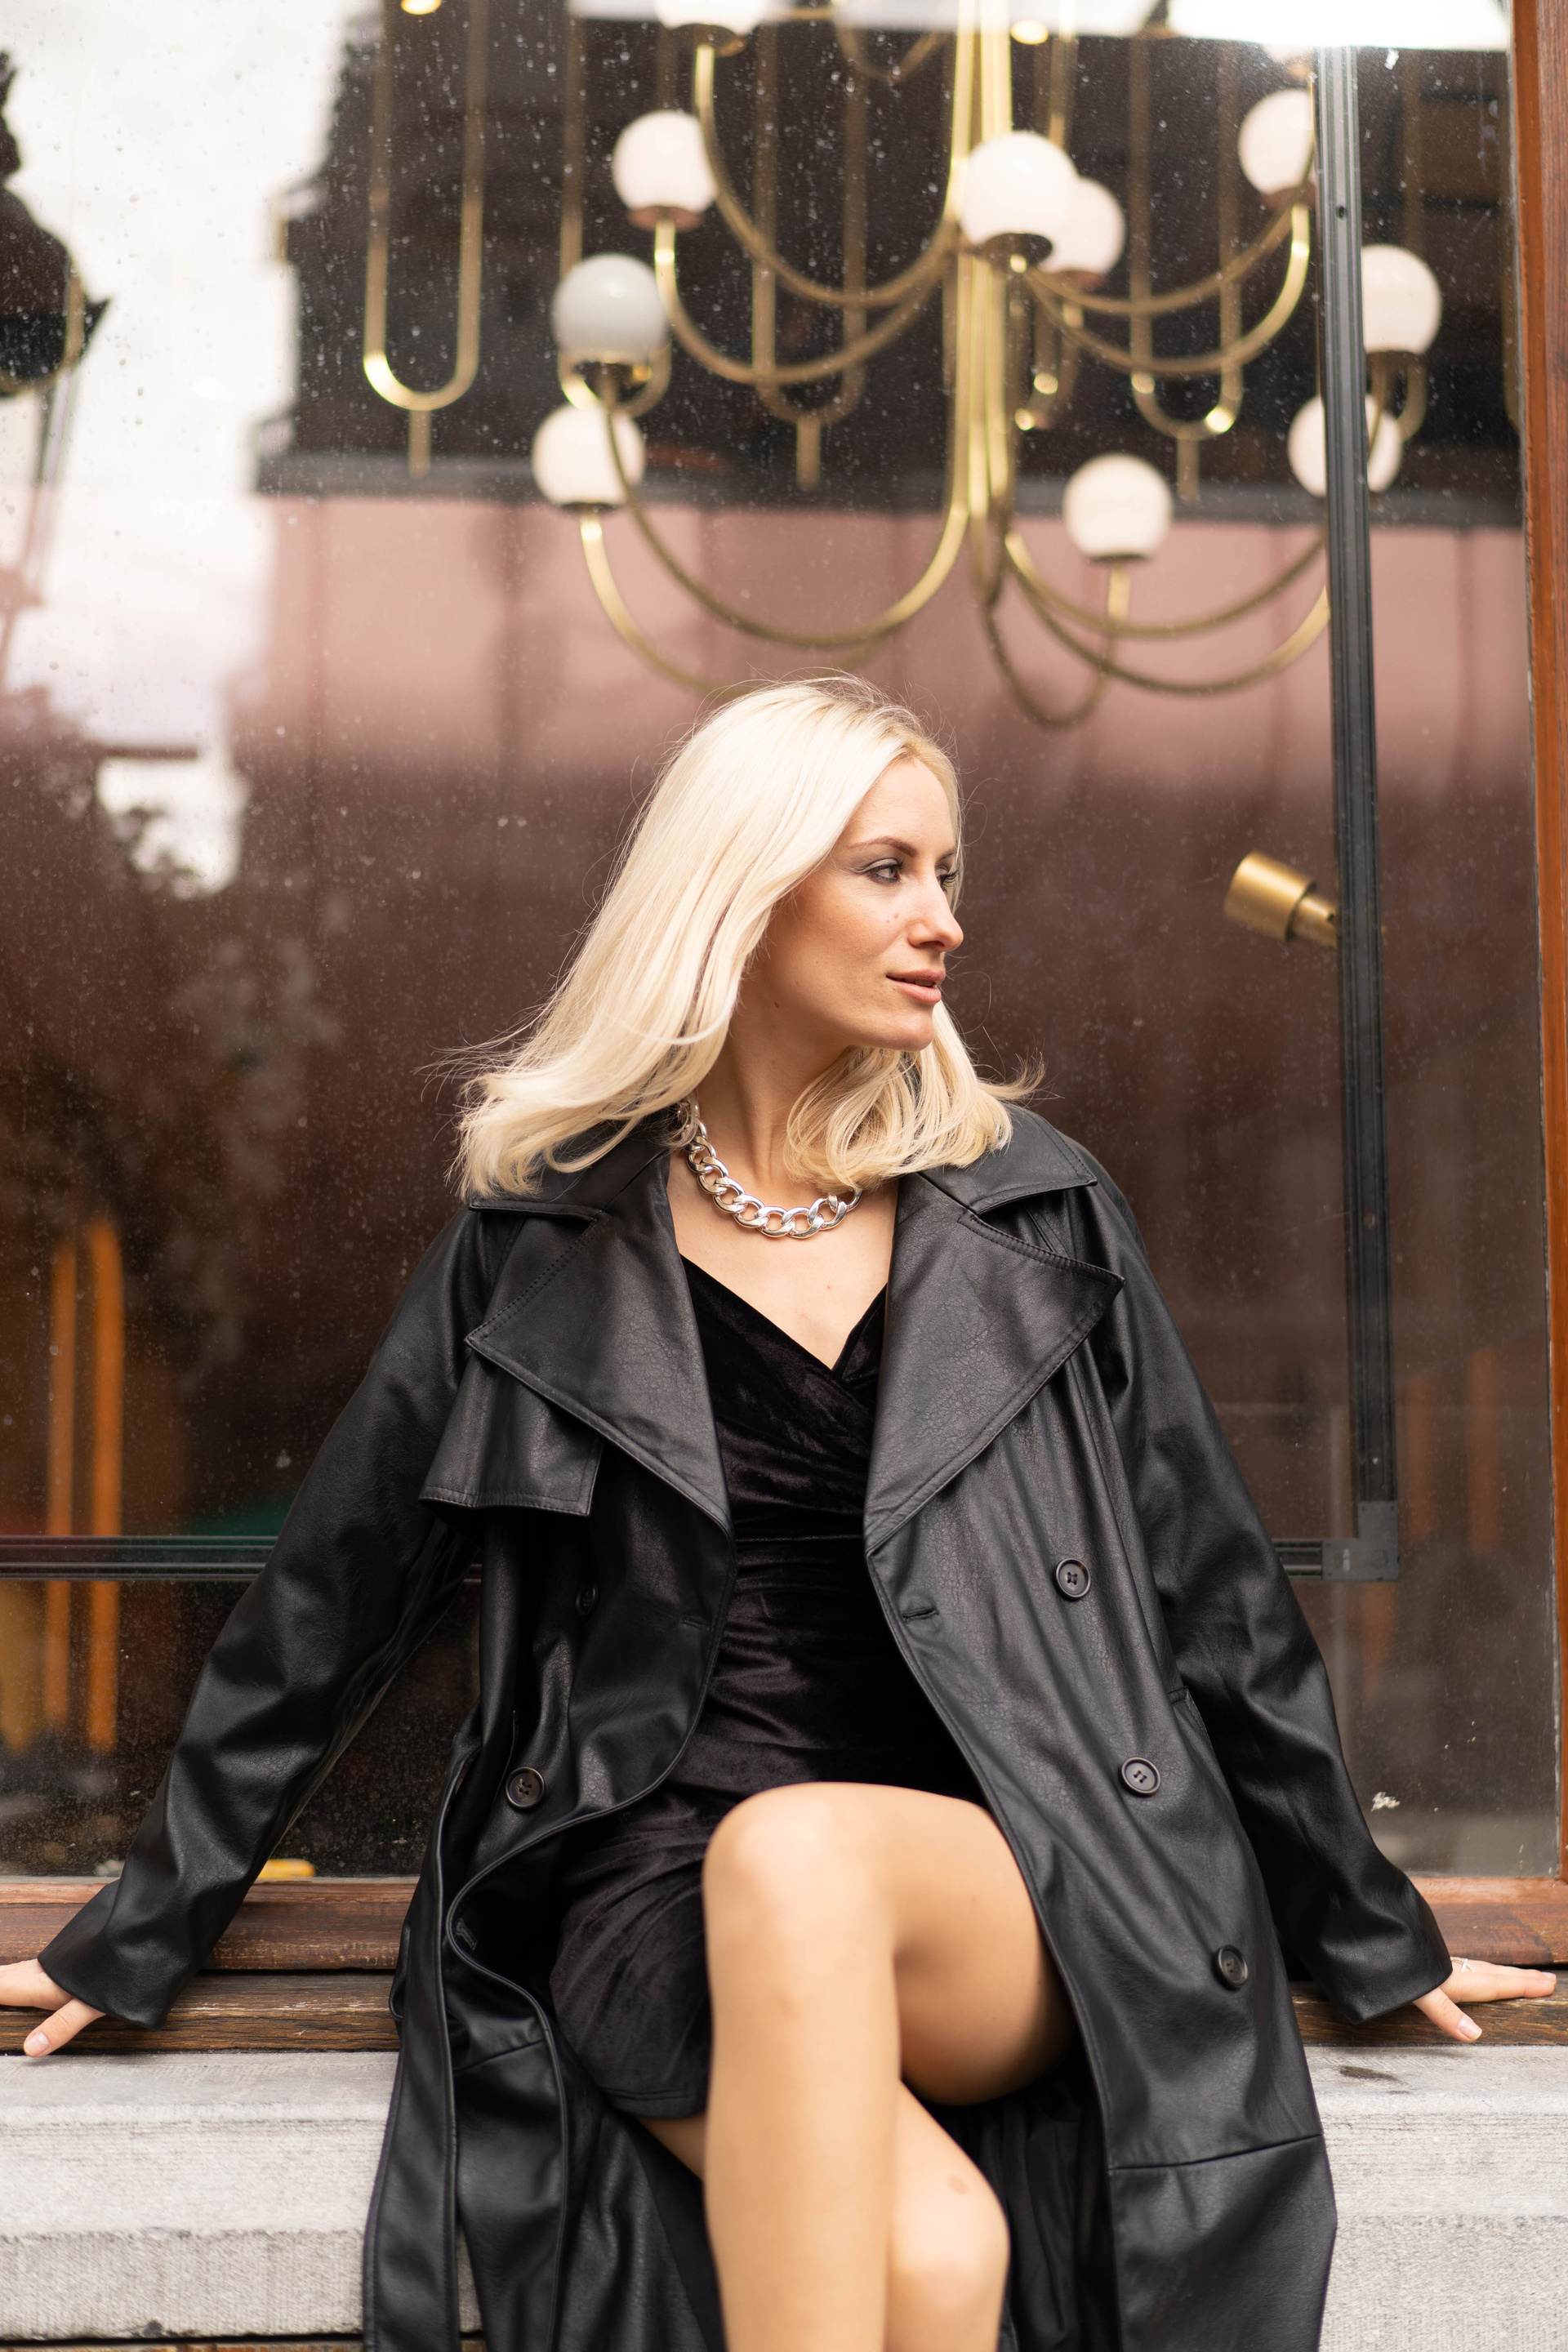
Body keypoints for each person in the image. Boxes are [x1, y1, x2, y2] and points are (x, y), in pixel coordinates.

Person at [1, 676, 1552, 2352]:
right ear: (742, 890)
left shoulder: (1039, 1217)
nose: (943, 920)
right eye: (887, 869)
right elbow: (329, 1606)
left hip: (1006, 1875)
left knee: (803, 1853)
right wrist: (144, 1926)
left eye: (947, 873)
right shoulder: (539, 1249)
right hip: (656, 1898)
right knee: (937, 2255)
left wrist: (1367, 1928)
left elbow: (1218, 1599)